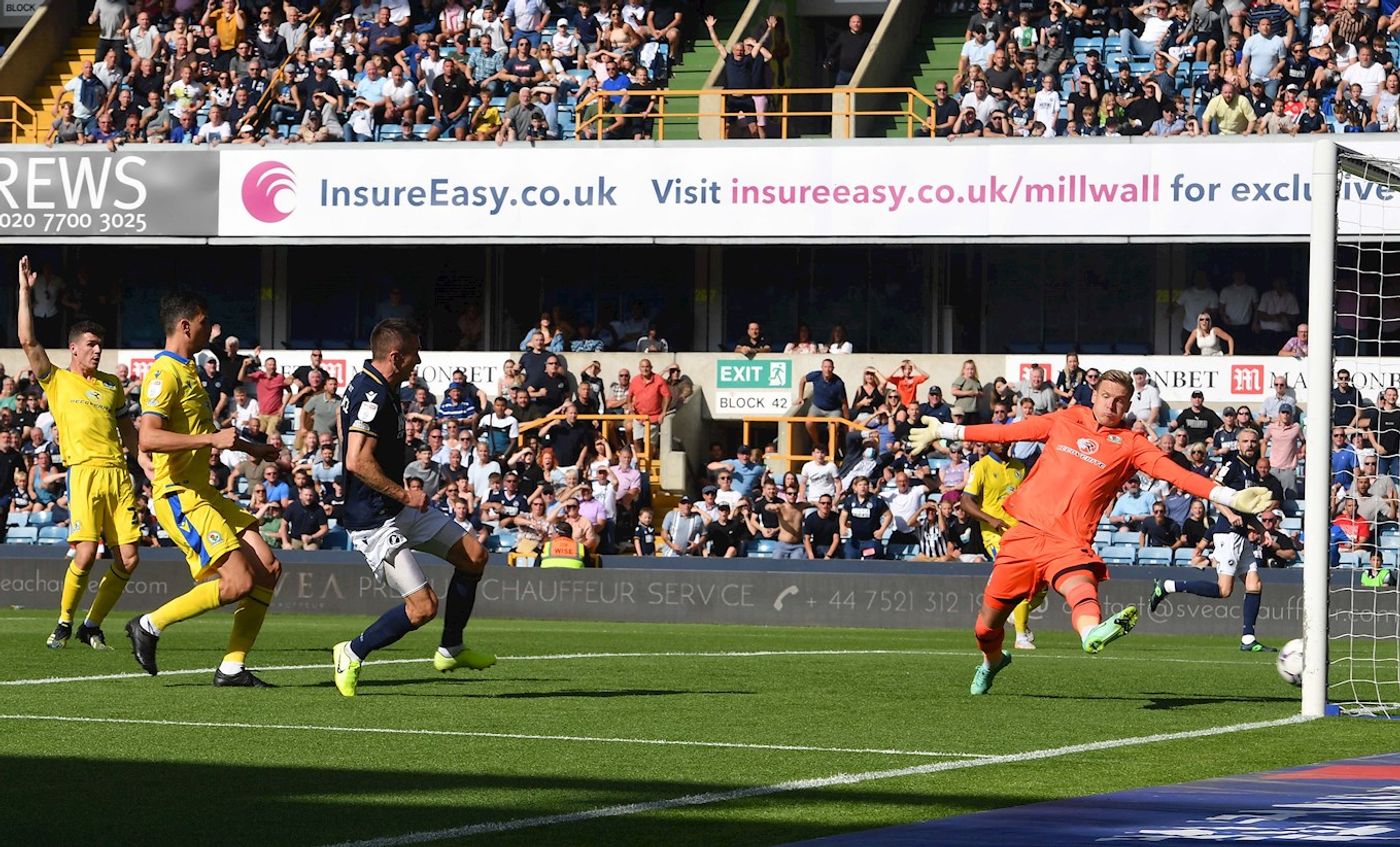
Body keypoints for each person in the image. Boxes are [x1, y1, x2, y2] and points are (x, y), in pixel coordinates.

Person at [909, 369, 1272, 695]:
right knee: (985, 630)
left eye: (1121, 401)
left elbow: (1172, 473)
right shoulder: (1067, 418)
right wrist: (946, 430)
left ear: (1129, 406)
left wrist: (1228, 495)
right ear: (1094, 396)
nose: (1112, 405)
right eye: (1106, 397)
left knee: (1079, 582)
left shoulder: (1131, 445)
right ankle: (991, 662)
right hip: (1023, 534)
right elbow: (1009, 432)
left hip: (1068, 539)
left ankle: (1090, 634)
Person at [123, 291, 283, 687]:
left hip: (204, 491)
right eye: (204, 322)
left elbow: (209, 432)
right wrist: (211, 443)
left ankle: (231, 668)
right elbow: (149, 438)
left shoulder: (190, 370)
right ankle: (149, 624)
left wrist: (253, 447)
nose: (211, 330)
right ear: (184, 326)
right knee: (239, 582)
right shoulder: (164, 373)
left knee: (268, 569)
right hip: (179, 494)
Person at [331, 319, 496, 697]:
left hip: (393, 506)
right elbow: (356, 460)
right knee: (422, 607)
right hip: (373, 519)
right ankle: (352, 652)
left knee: (474, 556)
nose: (418, 362)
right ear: (395, 356)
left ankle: (450, 649)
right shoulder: (372, 395)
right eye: (414, 355)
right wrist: (405, 495)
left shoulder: (375, 386)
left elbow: (347, 438)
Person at [19, 257, 145, 651]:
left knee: (129, 559)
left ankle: (92, 625)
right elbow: (27, 342)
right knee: (87, 553)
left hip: (119, 475)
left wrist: (150, 472)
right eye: (91, 345)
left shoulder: (112, 386)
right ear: (73, 348)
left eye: (100, 345)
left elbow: (131, 436)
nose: (97, 350)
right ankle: (63, 622)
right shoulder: (57, 379)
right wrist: (25, 291)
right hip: (85, 472)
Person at [1150, 429, 1279, 651]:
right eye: (1244, 441)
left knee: (1254, 584)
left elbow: (1247, 511)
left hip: (1241, 535)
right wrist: (1229, 515)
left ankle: (1248, 639)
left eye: (1252, 441)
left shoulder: (1251, 471)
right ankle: (1168, 586)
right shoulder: (1233, 465)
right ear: (1238, 443)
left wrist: (1261, 529)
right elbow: (1212, 490)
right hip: (1227, 533)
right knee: (1223, 591)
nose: (1249, 445)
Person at [959, 439, 1038, 649]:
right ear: (989, 444)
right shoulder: (981, 466)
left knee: (1041, 585)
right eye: (996, 441)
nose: (1001, 444)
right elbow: (965, 502)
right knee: (1020, 578)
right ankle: (1021, 636)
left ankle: (1016, 614)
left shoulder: (1020, 467)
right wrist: (990, 519)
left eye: (1005, 441)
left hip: (1022, 532)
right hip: (995, 534)